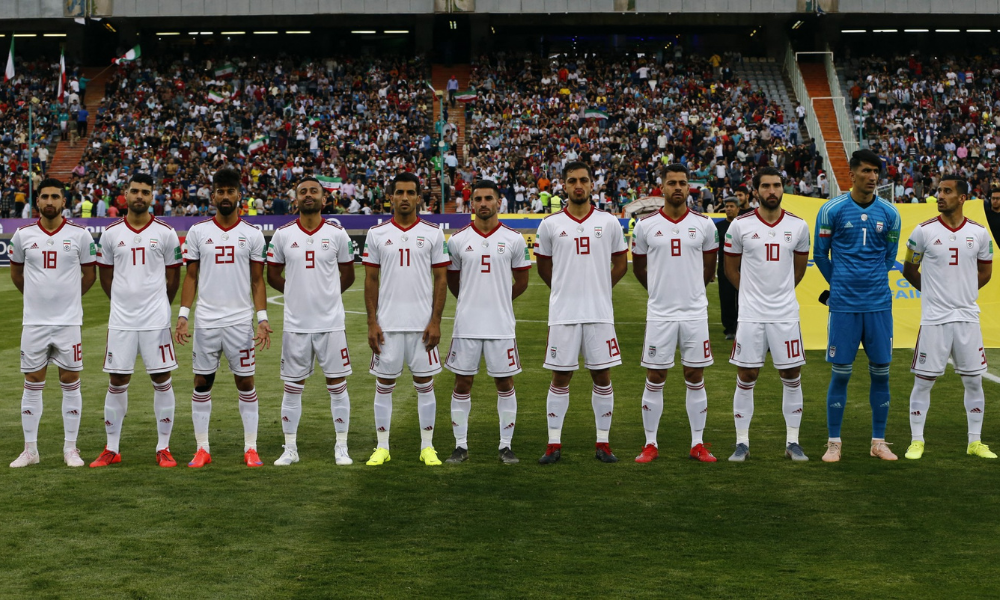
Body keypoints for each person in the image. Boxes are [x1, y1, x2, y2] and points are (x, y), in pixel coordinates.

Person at [174, 168, 272, 469]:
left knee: (245, 381)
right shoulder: (198, 232)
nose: (226, 196)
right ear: (212, 195)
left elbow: (258, 281)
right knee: (202, 381)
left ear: (239, 196)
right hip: (206, 320)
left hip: (240, 321)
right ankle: (202, 448)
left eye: (231, 191)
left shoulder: (253, 234)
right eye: (221, 191)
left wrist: (263, 319)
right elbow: (190, 277)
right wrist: (183, 315)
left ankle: (251, 448)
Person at [534, 161, 629, 464]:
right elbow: (544, 266)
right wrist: (563, 289)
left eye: (584, 180)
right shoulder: (550, 224)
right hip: (563, 313)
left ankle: (603, 443)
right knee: (560, 377)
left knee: (602, 376)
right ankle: (553, 443)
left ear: (592, 185)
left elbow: (620, 263)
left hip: (599, 313)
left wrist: (600, 287)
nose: (579, 185)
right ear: (563, 185)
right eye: (573, 180)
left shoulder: (609, 222)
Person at [814, 149, 901, 462]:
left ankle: (879, 442)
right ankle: (833, 442)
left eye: (876, 172)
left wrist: (869, 279)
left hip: (878, 305)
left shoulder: (890, 214)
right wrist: (839, 283)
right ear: (851, 174)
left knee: (882, 374)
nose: (873, 177)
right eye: (866, 171)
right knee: (841, 374)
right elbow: (820, 254)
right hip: (844, 307)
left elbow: (890, 257)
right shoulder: (831, 210)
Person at [91, 173, 182, 468]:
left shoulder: (166, 233)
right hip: (122, 320)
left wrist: (158, 306)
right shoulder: (110, 233)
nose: (139, 196)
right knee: (117, 380)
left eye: (145, 191)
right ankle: (112, 448)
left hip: (156, 320)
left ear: (152, 196)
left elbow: (173, 279)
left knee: (161, 379)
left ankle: (163, 447)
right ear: (125, 195)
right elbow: (105, 277)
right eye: (134, 191)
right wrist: (123, 301)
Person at [631, 164, 719, 464]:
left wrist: (693, 290)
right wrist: (658, 291)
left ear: (688, 188)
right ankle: (650, 443)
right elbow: (640, 268)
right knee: (655, 376)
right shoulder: (645, 226)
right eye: (672, 183)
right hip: (660, 314)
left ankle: (697, 443)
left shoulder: (705, 225)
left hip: (694, 313)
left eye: (683, 183)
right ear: (662, 188)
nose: (678, 188)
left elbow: (710, 268)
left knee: (695, 375)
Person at [902, 176, 994, 460]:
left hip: (967, 317)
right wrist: (932, 293)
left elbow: (985, 272)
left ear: (963, 198)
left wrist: (961, 292)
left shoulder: (979, 233)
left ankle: (975, 442)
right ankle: (917, 441)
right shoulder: (922, 231)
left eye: (947, 191)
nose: (940, 196)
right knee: (924, 381)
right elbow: (908, 268)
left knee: (974, 381)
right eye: (939, 191)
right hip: (935, 319)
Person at [267, 177, 356, 466]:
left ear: (324, 198)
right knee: (292, 387)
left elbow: (349, 274)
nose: (308, 196)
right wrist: (295, 294)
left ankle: (341, 446)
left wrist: (327, 296)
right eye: (303, 191)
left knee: (337, 385)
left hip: (330, 323)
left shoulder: (337, 234)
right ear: (296, 198)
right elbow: (272, 275)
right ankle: (290, 448)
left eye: (313, 192)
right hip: (296, 324)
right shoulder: (282, 235)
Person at [8, 178, 97, 468]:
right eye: (44, 196)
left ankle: (71, 449)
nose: (49, 201)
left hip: (68, 323)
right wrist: (36, 299)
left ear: (64, 202)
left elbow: (90, 275)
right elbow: (17, 273)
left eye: (55, 197)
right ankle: (30, 450)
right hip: (34, 323)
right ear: (37, 202)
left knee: (70, 382)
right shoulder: (22, 235)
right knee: (32, 383)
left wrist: (68, 300)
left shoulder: (81, 236)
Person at [362, 172, 450, 466]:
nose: (404, 197)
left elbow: (441, 279)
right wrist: (372, 322)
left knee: (425, 385)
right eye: (398, 192)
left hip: (421, 326)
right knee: (384, 386)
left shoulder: (433, 233)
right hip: (387, 325)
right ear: (390, 196)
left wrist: (435, 321)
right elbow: (370, 279)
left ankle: (427, 446)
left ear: (418, 197)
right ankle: (382, 446)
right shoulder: (377, 234)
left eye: (410, 193)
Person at [724, 167, 811, 462]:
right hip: (751, 315)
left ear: (783, 188)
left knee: (791, 374)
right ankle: (742, 442)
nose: (771, 191)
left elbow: (799, 269)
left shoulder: (799, 226)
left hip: (785, 314)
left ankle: (793, 441)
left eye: (776, 185)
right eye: (766, 186)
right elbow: (730, 269)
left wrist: (779, 292)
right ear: (755, 191)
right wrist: (751, 293)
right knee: (747, 374)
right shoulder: (740, 225)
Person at [443, 180, 531, 464]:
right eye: (478, 199)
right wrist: (472, 300)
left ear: (498, 202)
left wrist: (499, 302)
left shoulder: (514, 239)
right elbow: (453, 283)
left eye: (488, 199)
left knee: (505, 383)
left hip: (500, 325)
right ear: (471, 204)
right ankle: (460, 446)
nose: (483, 203)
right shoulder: (457, 240)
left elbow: (522, 281)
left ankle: (505, 445)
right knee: (462, 384)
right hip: (467, 324)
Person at [716, 197, 740, 339]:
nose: (729, 209)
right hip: (724, 268)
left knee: (742, 299)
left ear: (738, 209)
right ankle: (730, 329)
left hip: (743, 268)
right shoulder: (718, 227)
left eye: (732, 206)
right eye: (727, 206)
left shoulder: (744, 225)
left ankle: (742, 327)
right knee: (726, 299)